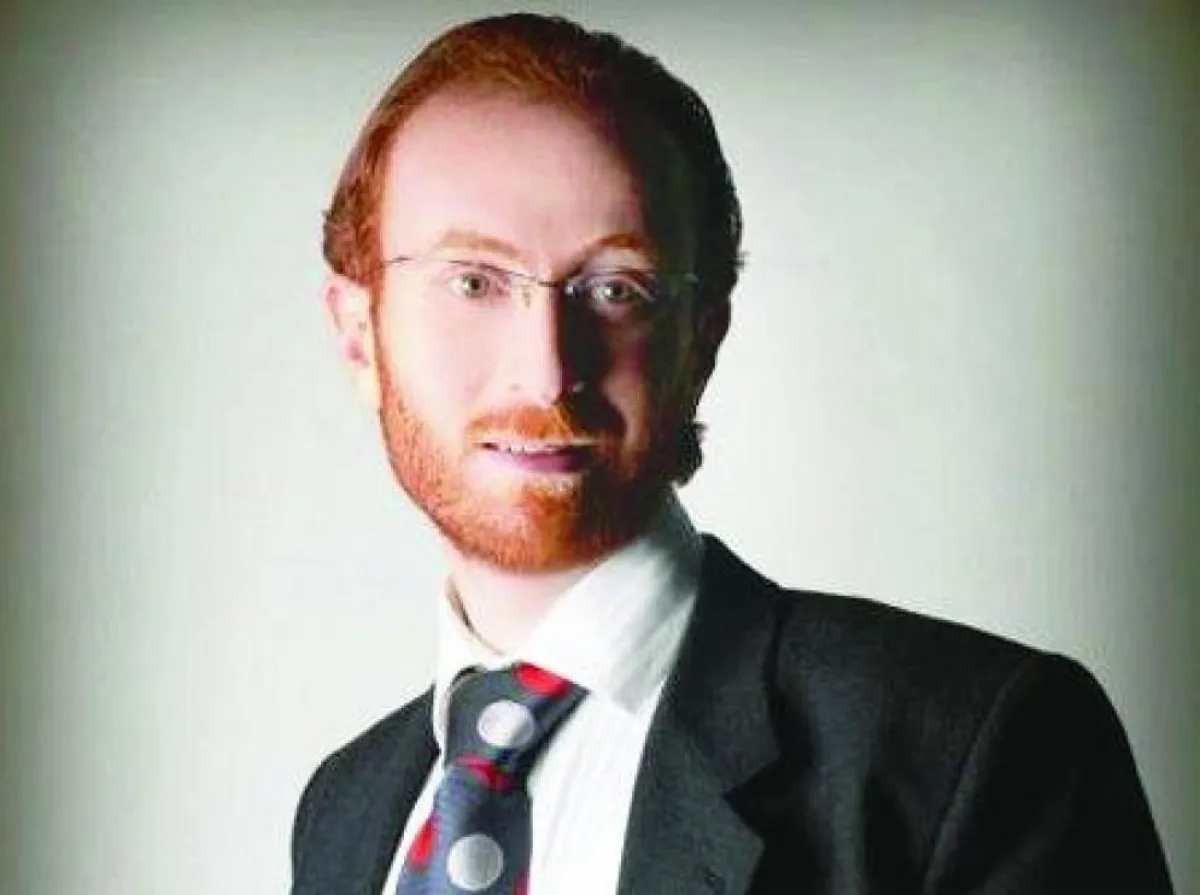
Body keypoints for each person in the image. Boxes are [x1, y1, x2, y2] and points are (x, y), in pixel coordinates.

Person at [291, 13, 1174, 895]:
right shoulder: (343, 808)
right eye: (474, 281)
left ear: (702, 340)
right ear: (360, 335)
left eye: (616, 288)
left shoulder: (975, 747)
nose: (548, 369)